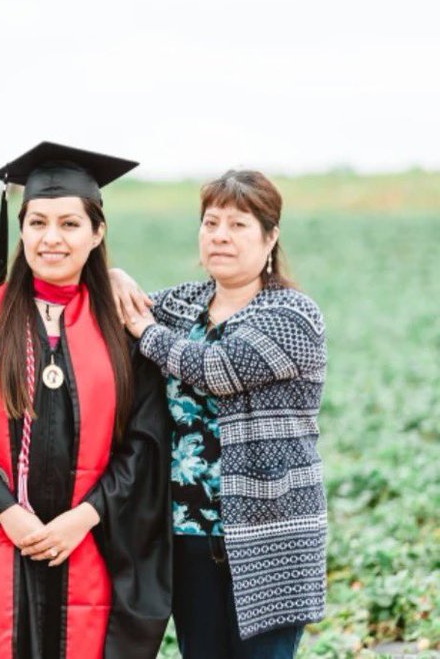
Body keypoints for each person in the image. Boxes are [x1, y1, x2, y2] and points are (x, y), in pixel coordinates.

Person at [0, 142, 171, 659]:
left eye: (70, 225)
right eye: (37, 223)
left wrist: (87, 516)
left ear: (97, 233)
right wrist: (7, 512)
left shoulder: (125, 331)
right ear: (21, 229)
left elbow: (146, 443)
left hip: (93, 544)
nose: (51, 239)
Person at [116, 169, 328, 659]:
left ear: (270, 237)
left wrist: (147, 334)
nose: (220, 237)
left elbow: (217, 367)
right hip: (187, 532)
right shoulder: (182, 305)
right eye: (211, 223)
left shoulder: (293, 315)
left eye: (238, 225)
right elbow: (119, 306)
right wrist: (113, 275)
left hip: (271, 533)